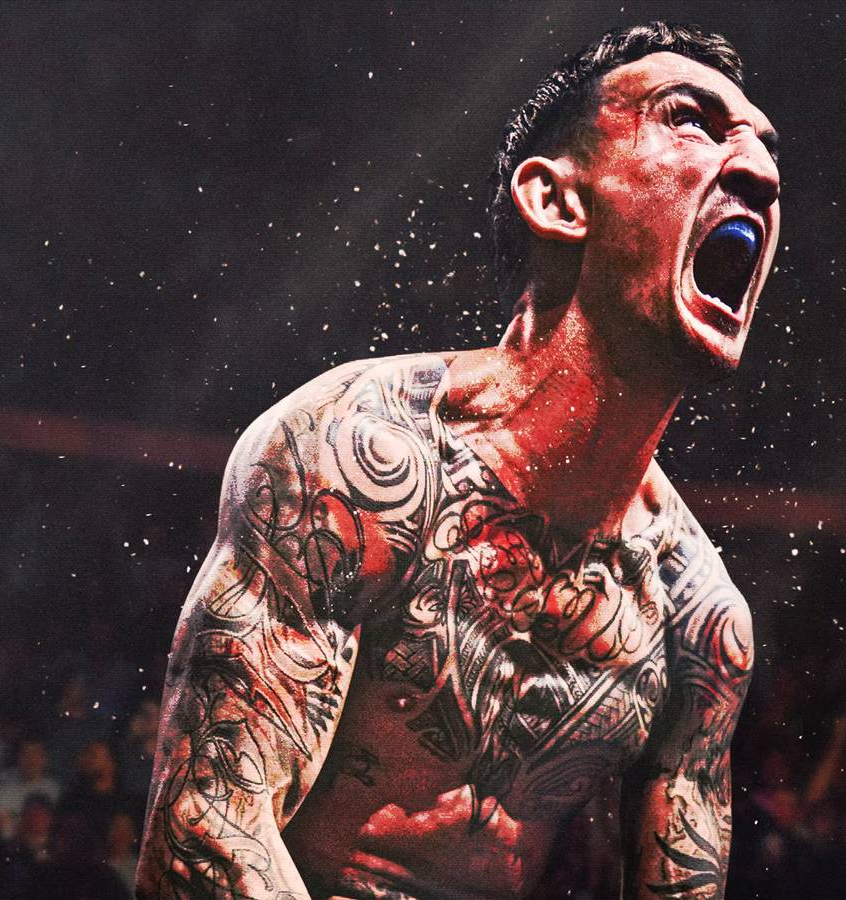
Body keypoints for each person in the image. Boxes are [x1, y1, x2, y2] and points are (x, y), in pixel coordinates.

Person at [138, 20, 779, 899]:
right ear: (558, 199)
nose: (760, 171)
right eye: (691, 120)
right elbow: (202, 837)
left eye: (764, 144)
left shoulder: (699, 622)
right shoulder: (355, 456)